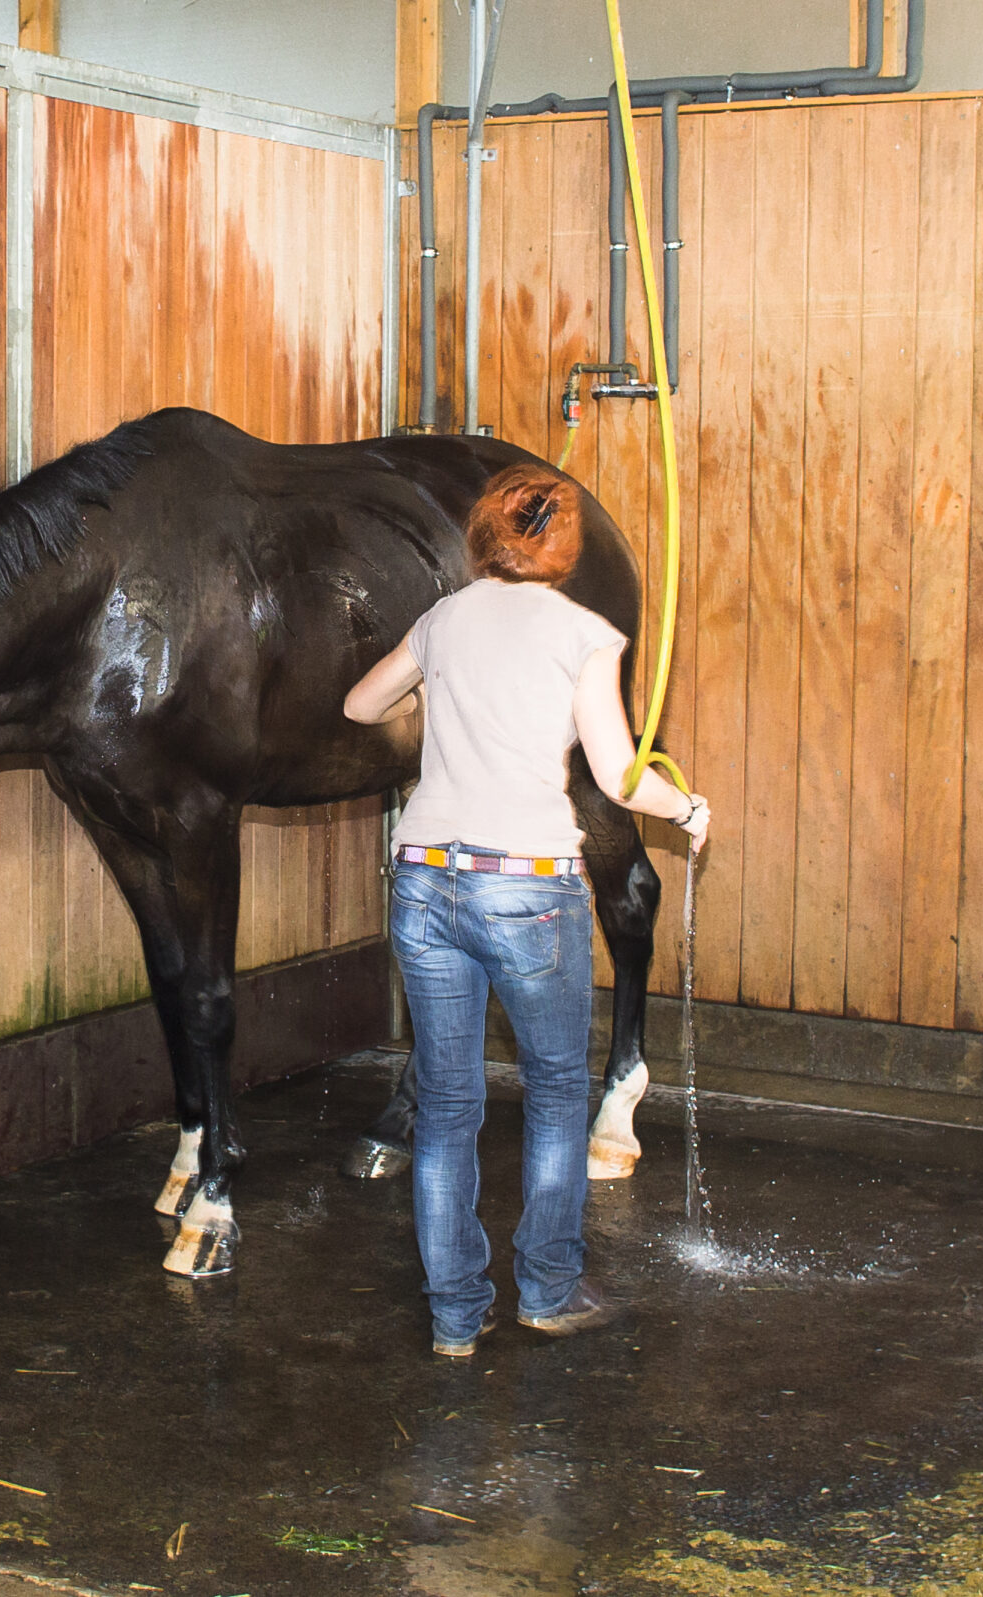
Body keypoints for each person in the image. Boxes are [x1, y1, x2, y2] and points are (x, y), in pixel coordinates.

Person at [343, 462, 711, 1358]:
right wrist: (688, 809)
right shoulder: (585, 633)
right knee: (552, 1095)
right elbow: (621, 772)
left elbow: (359, 704)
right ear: (564, 543)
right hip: (526, 887)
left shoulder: (441, 619)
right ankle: (545, 1289)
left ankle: (455, 1317)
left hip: (426, 878)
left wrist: (429, 699)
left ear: (483, 535)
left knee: (449, 1106)